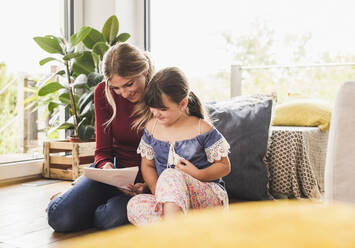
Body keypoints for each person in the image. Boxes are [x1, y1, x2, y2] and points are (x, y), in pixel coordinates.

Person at [46, 43, 154, 232]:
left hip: (150, 182)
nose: (124, 93)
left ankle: (85, 199)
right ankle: (75, 197)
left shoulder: (160, 94)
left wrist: (148, 184)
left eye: (129, 84)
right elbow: (103, 151)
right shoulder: (104, 92)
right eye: (117, 87)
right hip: (114, 178)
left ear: (143, 71)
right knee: (60, 217)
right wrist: (107, 167)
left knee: (108, 219)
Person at [127, 67, 231, 226]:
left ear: (182, 103)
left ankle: (173, 237)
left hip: (208, 197)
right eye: (152, 107)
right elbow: (147, 165)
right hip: (171, 202)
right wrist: (159, 194)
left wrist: (198, 173)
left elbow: (224, 166)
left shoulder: (201, 128)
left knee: (171, 175)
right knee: (134, 204)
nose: (155, 113)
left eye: (163, 109)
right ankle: (183, 232)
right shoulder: (151, 128)